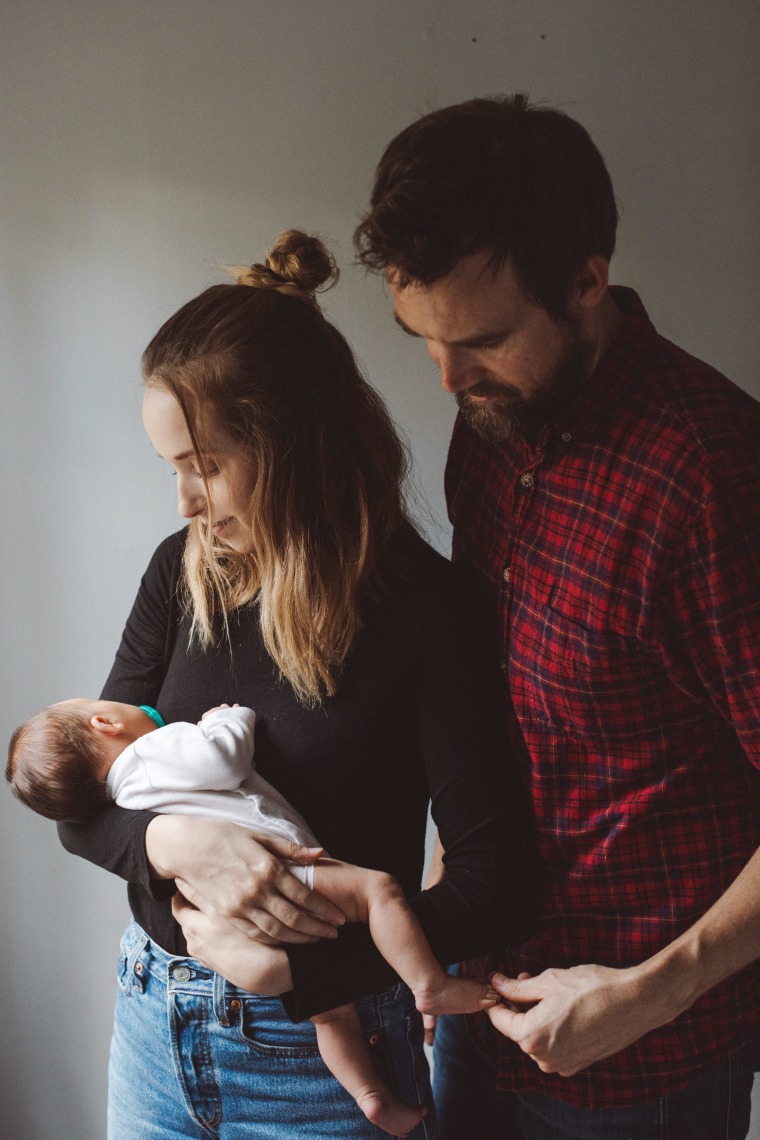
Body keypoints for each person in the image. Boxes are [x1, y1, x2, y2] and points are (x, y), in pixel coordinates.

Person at [54, 228, 541, 1139]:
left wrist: (304, 975)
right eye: (173, 471)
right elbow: (83, 794)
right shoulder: (180, 572)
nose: (184, 505)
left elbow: (500, 880)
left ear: (294, 446)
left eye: (203, 469)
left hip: (321, 1075)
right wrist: (176, 848)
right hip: (154, 1026)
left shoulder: (429, 611)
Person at [352, 95, 760, 1139]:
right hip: (482, 990)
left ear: (587, 282)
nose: (445, 379)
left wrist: (647, 993)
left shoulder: (711, 476)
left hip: (645, 1048)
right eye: (423, 340)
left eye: (480, 341)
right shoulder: (487, 422)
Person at [9, 697, 499, 1136]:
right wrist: (226, 718)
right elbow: (221, 758)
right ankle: (427, 983)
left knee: (328, 1009)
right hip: (285, 876)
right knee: (379, 891)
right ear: (104, 721)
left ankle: (370, 1096)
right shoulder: (154, 751)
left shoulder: (122, 798)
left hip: (232, 930)